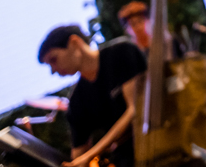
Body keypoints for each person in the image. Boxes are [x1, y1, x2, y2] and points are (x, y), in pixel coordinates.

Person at [38, 25, 147, 167]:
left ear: (74, 43)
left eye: (53, 59)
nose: (53, 70)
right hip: (127, 159)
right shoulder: (77, 102)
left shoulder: (121, 53)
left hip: (159, 138)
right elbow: (79, 154)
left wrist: (89, 155)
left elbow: (135, 110)